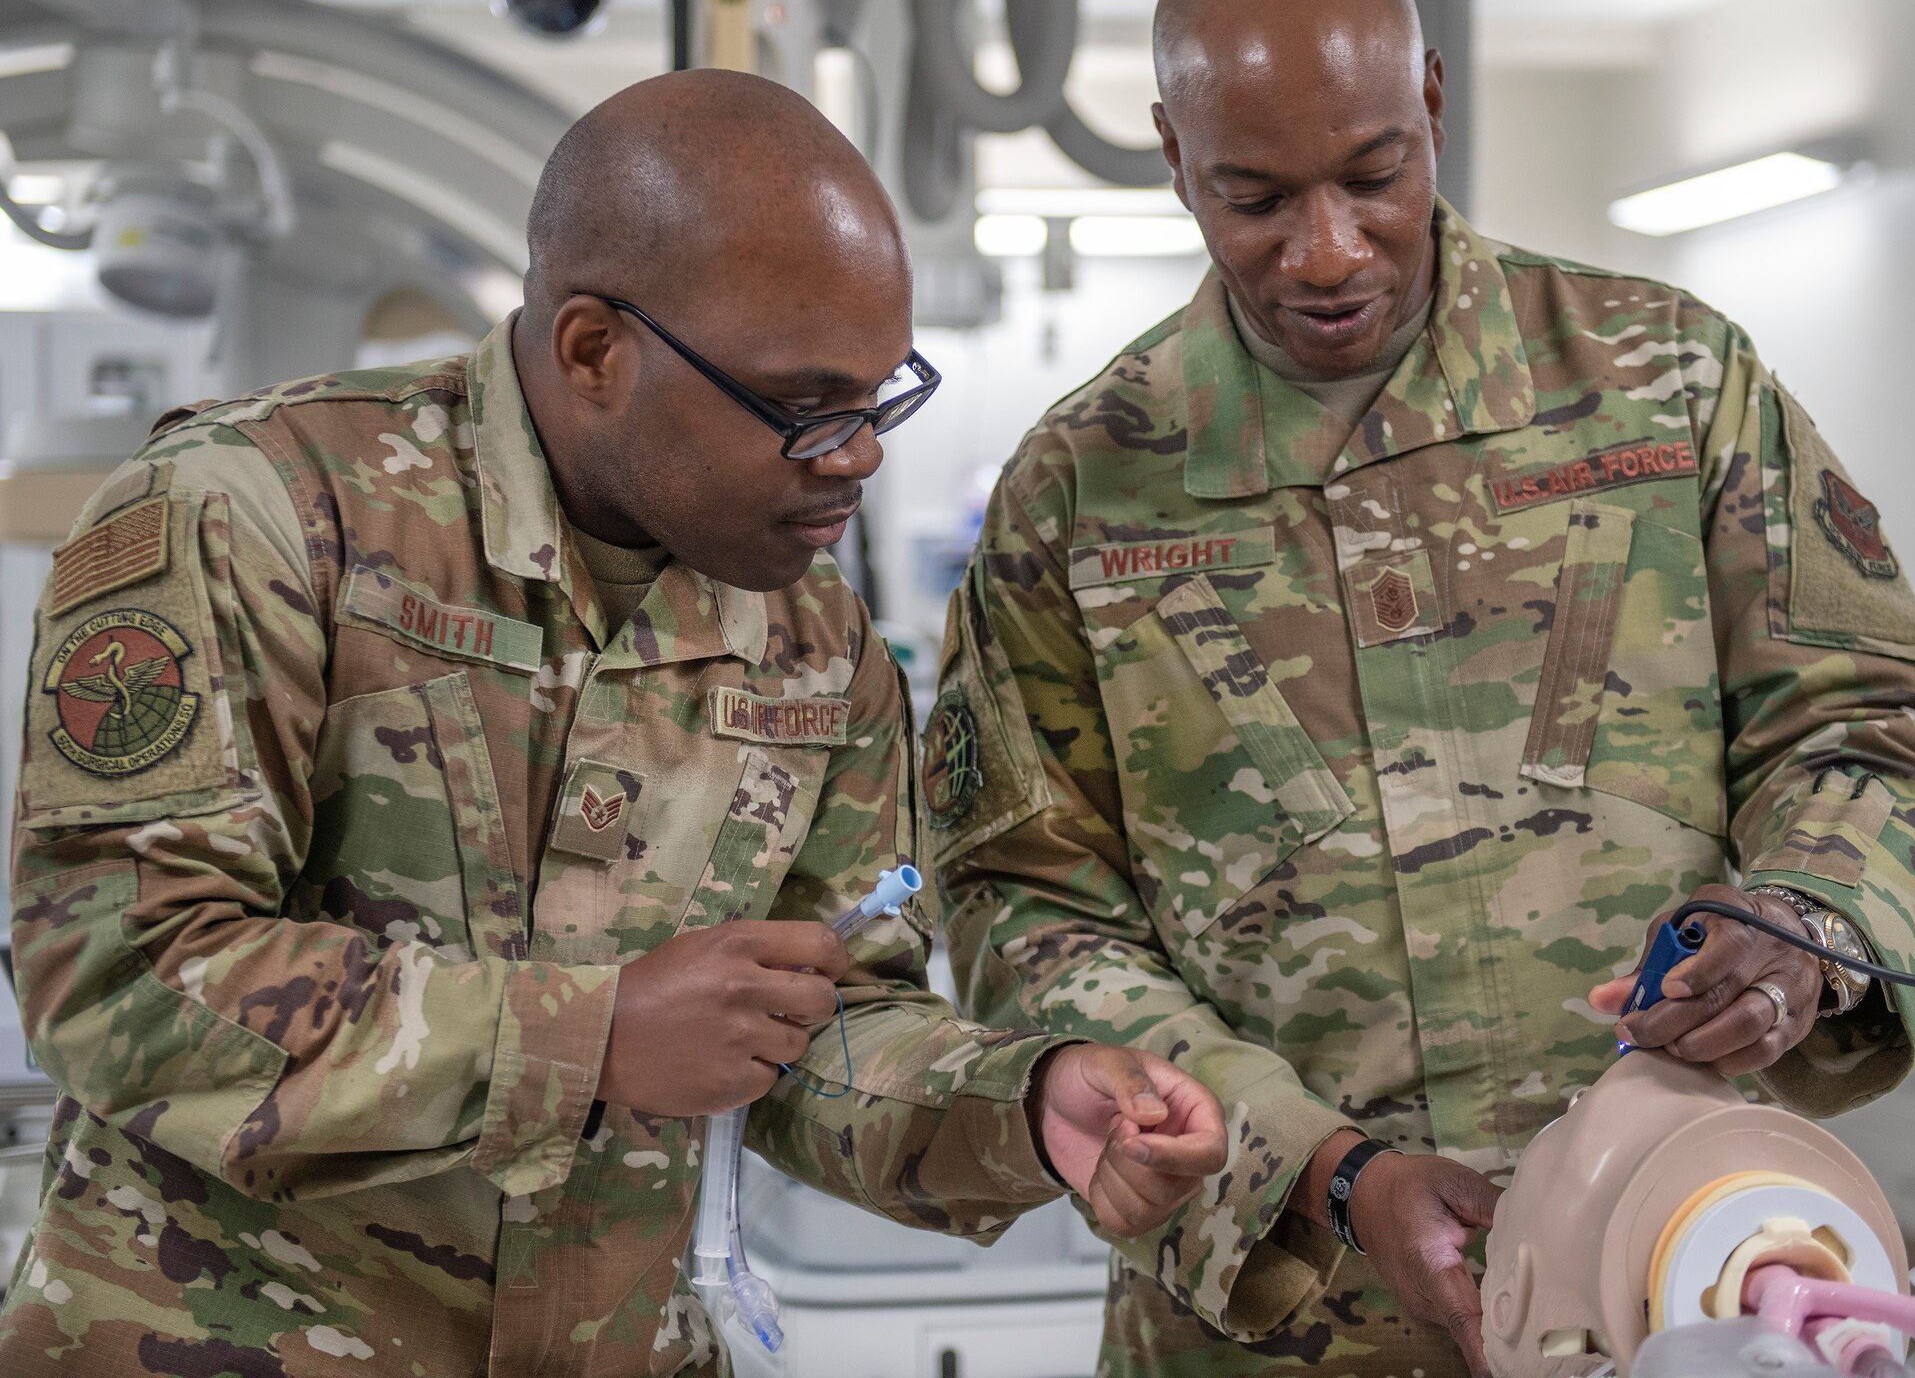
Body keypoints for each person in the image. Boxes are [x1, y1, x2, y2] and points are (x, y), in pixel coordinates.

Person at [0, 69, 1230, 1377]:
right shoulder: (264, 516)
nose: (859, 454)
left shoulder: (816, 647)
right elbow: (120, 977)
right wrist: (590, 1036)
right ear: (596, 350)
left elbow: (812, 1032)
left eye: (883, 393)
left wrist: (1027, 1109)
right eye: (806, 403)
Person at [925, 0, 1915, 1378]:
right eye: (1253, 199)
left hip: (1685, 1278)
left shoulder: (1666, 383)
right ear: (1172, 155)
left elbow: (1870, 728)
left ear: (1431, 100)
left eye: (1376, 177)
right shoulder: (1083, 487)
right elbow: (1021, 905)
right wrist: (1321, 1173)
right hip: (1274, 1319)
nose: (1329, 251)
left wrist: (1810, 921)